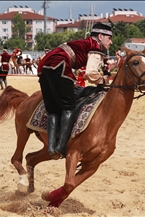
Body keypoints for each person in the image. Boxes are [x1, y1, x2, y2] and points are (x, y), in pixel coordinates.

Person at [37, 22, 113, 160]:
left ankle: (51, 147)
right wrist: (102, 81)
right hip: (60, 64)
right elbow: (90, 73)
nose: (111, 42)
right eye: (109, 38)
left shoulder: (82, 42)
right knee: (68, 107)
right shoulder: (95, 46)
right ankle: (61, 147)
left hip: (44, 65)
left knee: (53, 109)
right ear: (101, 36)